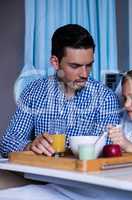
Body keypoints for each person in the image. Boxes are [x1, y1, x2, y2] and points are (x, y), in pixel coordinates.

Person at [0, 24, 120, 157]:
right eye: (75, 66)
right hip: (41, 174)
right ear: (55, 62)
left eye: (89, 65)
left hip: (84, 175)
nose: (85, 74)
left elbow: (109, 151)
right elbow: (7, 143)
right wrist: (30, 146)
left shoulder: (105, 97)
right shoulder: (33, 92)